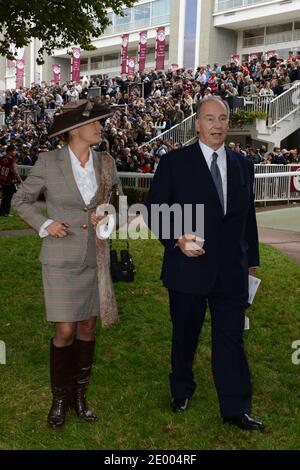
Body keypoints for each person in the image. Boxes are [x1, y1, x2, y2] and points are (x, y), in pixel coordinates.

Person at [146, 96, 263, 431]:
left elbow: (247, 220)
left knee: (231, 339)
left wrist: (250, 262)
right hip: (187, 268)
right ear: (197, 124)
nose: (217, 125)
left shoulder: (243, 164)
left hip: (231, 271)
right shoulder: (174, 163)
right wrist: (176, 238)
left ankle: (235, 407)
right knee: (185, 336)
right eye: (210, 119)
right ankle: (181, 389)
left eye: (223, 118)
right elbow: (154, 210)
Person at [13, 100, 122, 429]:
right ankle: (59, 398)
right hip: (59, 259)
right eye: (94, 122)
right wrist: (46, 225)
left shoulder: (106, 161)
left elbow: (115, 198)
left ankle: (79, 395)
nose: (100, 126)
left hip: (94, 256)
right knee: (65, 329)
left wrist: (108, 213)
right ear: (74, 129)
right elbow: (20, 200)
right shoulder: (48, 162)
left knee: (87, 327)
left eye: (101, 122)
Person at [0, 144, 22, 216]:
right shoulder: (11, 160)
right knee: (8, 197)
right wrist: (20, 180)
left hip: (3, 180)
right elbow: (15, 171)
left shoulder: (1, 158)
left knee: (4, 196)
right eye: (14, 150)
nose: (15, 152)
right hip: (9, 181)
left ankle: (2, 211)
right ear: (10, 151)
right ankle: (6, 212)